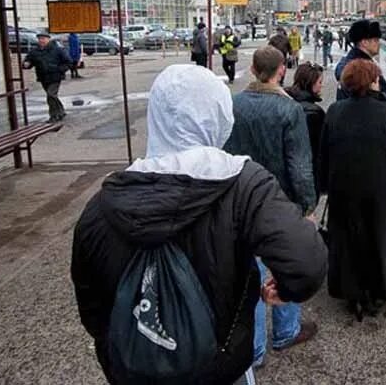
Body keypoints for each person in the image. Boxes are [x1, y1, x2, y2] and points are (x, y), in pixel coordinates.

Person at [71, 64, 326, 385]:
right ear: (218, 114)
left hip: (133, 372)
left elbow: (91, 307)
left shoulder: (101, 206)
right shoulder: (244, 184)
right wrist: (286, 288)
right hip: (219, 367)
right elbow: (307, 262)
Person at [224, 46, 318, 366]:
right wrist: (308, 204)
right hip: (279, 202)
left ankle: (254, 351)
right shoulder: (289, 110)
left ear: (252, 70)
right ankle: (286, 332)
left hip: (238, 200)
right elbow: (300, 165)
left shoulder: (233, 104)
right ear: (281, 70)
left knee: (248, 274)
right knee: (282, 266)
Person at [320, 59, 386, 320]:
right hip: (381, 191)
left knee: (350, 241)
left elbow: (324, 154)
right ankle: (379, 290)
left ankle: (353, 293)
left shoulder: (335, 111)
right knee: (380, 239)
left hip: (344, 189)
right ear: (373, 81)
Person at [285, 62, 325, 200]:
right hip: (306, 174)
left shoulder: (285, 101)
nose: (321, 86)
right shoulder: (314, 113)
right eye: (320, 82)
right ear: (311, 83)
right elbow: (317, 150)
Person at [23, 32, 72, 122]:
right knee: (52, 96)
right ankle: (61, 111)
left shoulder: (57, 50)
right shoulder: (35, 51)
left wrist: (60, 70)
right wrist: (26, 64)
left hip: (55, 77)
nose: (41, 41)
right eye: (40, 39)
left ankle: (54, 116)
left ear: (49, 39)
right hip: (43, 77)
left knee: (51, 95)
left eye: (43, 39)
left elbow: (68, 62)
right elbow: (28, 61)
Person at [334, 19, 386, 100]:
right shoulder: (364, 70)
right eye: (375, 40)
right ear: (364, 42)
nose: (379, 43)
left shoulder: (349, 66)